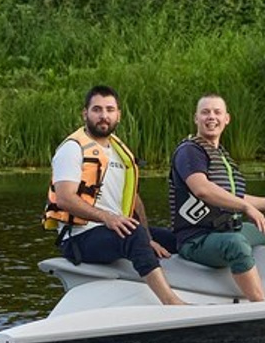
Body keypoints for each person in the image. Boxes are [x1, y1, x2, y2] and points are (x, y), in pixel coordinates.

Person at [43, 85, 184, 305]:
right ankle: (171, 302)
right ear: (85, 114)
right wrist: (107, 218)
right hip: (79, 237)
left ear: (118, 114)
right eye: (97, 109)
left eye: (110, 110)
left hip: (115, 229)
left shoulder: (120, 151)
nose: (103, 116)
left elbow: (135, 200)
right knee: (133, 233)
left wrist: (149, 239)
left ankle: (208, 290)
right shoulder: (72, 149)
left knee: (179, 238)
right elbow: (64, 198)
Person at [169, 94, 265, 301]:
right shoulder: (189, 151)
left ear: (227, 118)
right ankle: (261, 307)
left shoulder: (221, 154)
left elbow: (235, 196)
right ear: (196, 118)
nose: (211, 117)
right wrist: (246, 208)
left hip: (230, 228)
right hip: (196, 239)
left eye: (217, 112)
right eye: (205, 112)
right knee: (236, 245)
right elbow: (202, 189)